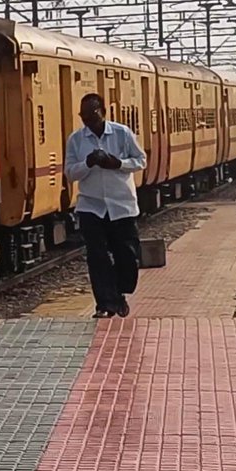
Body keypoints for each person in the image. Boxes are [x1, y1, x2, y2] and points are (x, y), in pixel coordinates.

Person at [63, 93, 147, 318]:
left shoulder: (122, 133)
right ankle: (105, 304)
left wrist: (118, 163)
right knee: (97, 256)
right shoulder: (76, 140)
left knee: (127, 255)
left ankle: (119, 293)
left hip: (122, 205)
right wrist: (88, 163)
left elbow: (141, 160)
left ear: (103, 112)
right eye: (84, 116)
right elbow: (70, 173)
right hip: (91, 206)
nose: (88, 120)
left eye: (92, 114)